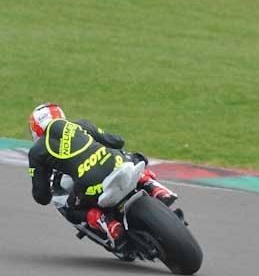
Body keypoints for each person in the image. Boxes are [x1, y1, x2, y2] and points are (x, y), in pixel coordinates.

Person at [27, 103, 177, 244]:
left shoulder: (37, 152)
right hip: (117, 163)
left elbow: (41, 196)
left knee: (71, 210)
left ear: (36, 129)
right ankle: (155, 187)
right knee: (134, 158)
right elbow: (117, 141)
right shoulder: (81, 124)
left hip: (90, 185)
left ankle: (106, 222)